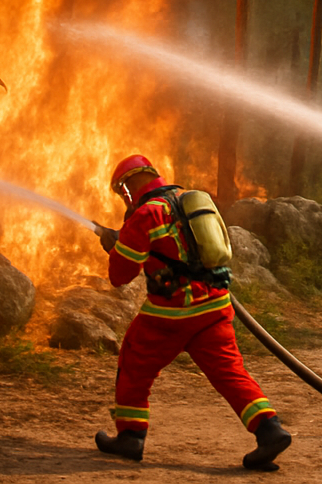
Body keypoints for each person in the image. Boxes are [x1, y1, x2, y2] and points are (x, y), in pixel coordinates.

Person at [93, 154, 291, 469]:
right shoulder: (190, 200)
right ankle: (270, 430)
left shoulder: (145, 215)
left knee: (134, 360)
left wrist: (115, 247)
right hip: (215, 307)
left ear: (126, 190)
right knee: (230, 372)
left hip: (171, 314)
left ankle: (130, 436)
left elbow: (120, 276)